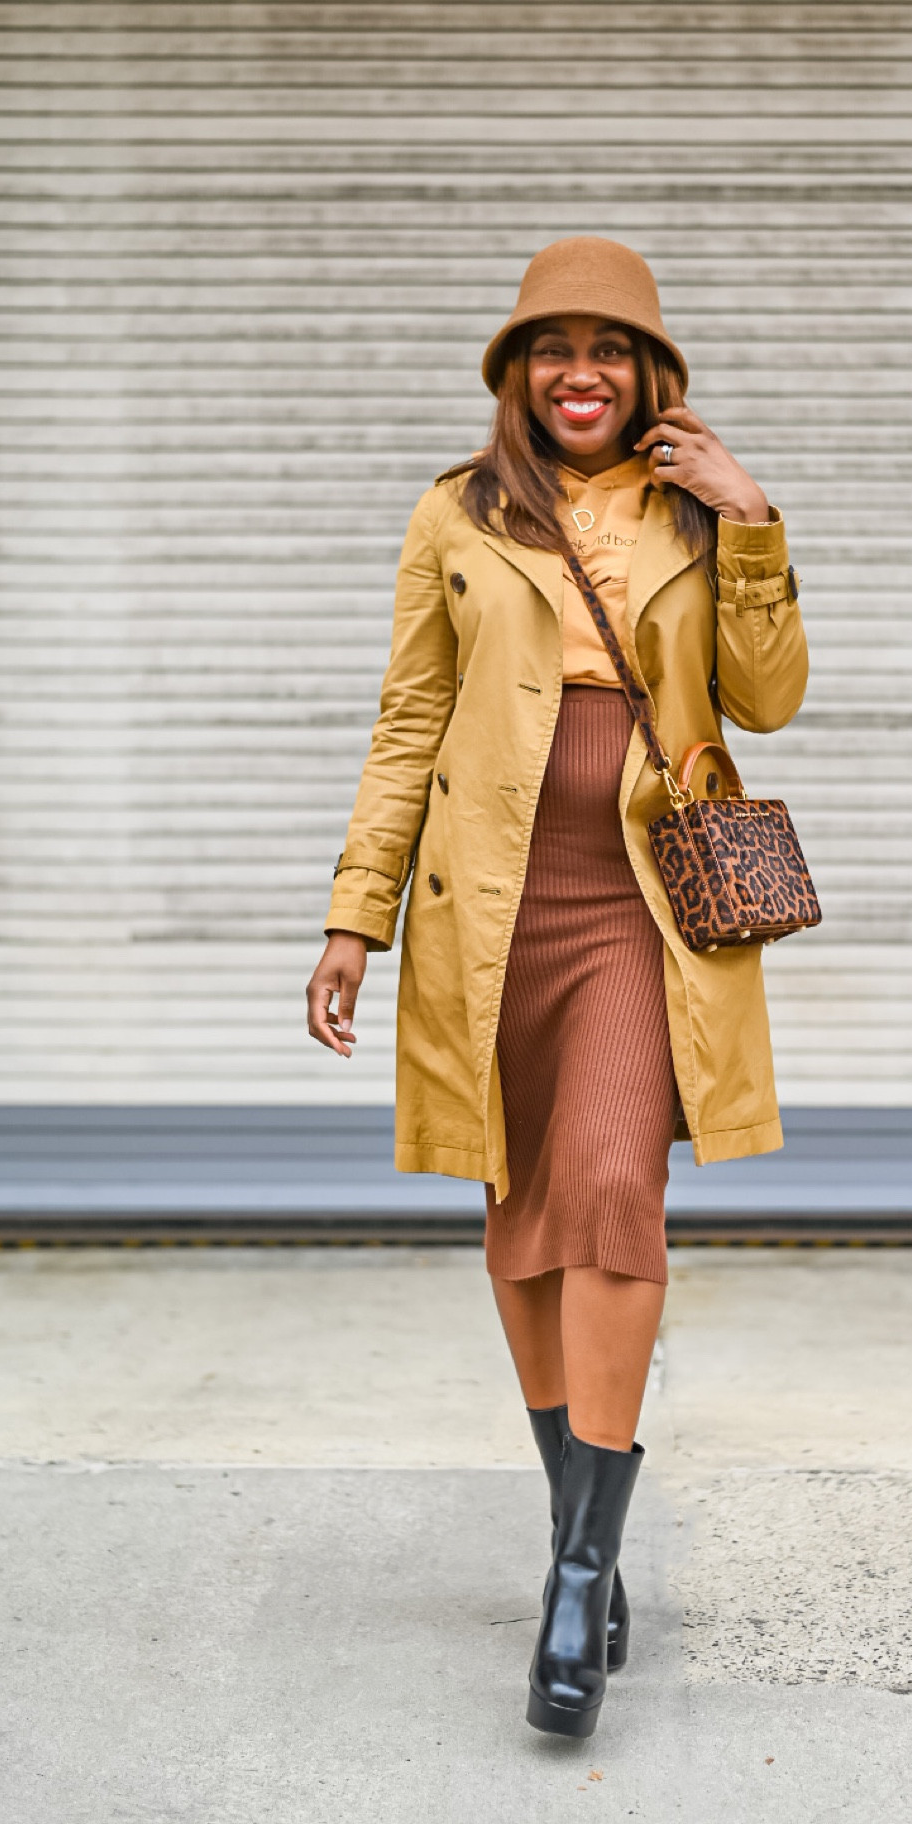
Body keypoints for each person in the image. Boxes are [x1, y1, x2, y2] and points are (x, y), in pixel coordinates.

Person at [306, 237, 808, 1738]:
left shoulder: (700, 512)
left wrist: (752, 521)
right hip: (489, 901)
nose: (577, 371)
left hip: (645, 903)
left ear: (649, 373)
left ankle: (580, 1576)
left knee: (608, 1193)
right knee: (522, 1218)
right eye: (550, 346)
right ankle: (578, 1530)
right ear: (516, 372)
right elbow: (408, 722)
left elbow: (768, 699)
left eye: (607, 347)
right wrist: (353, 918)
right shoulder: (455, 513)